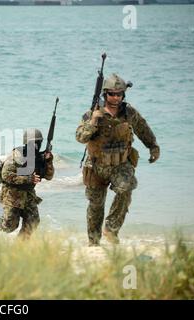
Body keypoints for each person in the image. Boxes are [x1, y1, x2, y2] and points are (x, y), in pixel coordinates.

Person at [76, 73, 160, 246]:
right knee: (95, 206)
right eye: (111, 94)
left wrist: (153, 146)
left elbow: (142, 128)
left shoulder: (128, 112)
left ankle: (111, 228)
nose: (115, 97)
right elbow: (80, 137)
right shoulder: (92, 113)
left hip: (120, 164)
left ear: (123, 94)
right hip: (96, 166)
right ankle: (93, 242)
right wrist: (93, 122)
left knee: (126, 188)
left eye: (119, 94)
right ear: (105, 94)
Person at [0, 129, 54, 238]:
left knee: (33, 221)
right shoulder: (17, 154)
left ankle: (21, 245)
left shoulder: (39, 157)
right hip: (12, 194)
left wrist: (48, 161)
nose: (36, 146)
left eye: (38, 143)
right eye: (33, 143)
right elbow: (5, 175)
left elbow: (49, 176)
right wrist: (28, 179)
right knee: (10, 226)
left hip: (28, 194)